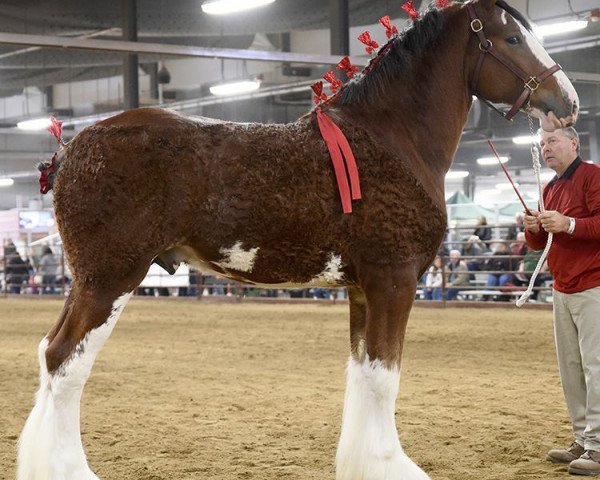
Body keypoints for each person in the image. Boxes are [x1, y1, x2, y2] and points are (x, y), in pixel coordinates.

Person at [523, 126, 600, 475]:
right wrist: (533, 227)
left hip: (593, 285)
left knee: (595, 367)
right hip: (563, 288)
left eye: (552, 141)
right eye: (542, 144)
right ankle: (583, 440)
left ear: (574, 143)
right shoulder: (549, 188)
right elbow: (539, 245)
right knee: (572, 369)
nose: (545, 148)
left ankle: (597, 446)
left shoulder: (593, 176)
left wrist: (567, 224)